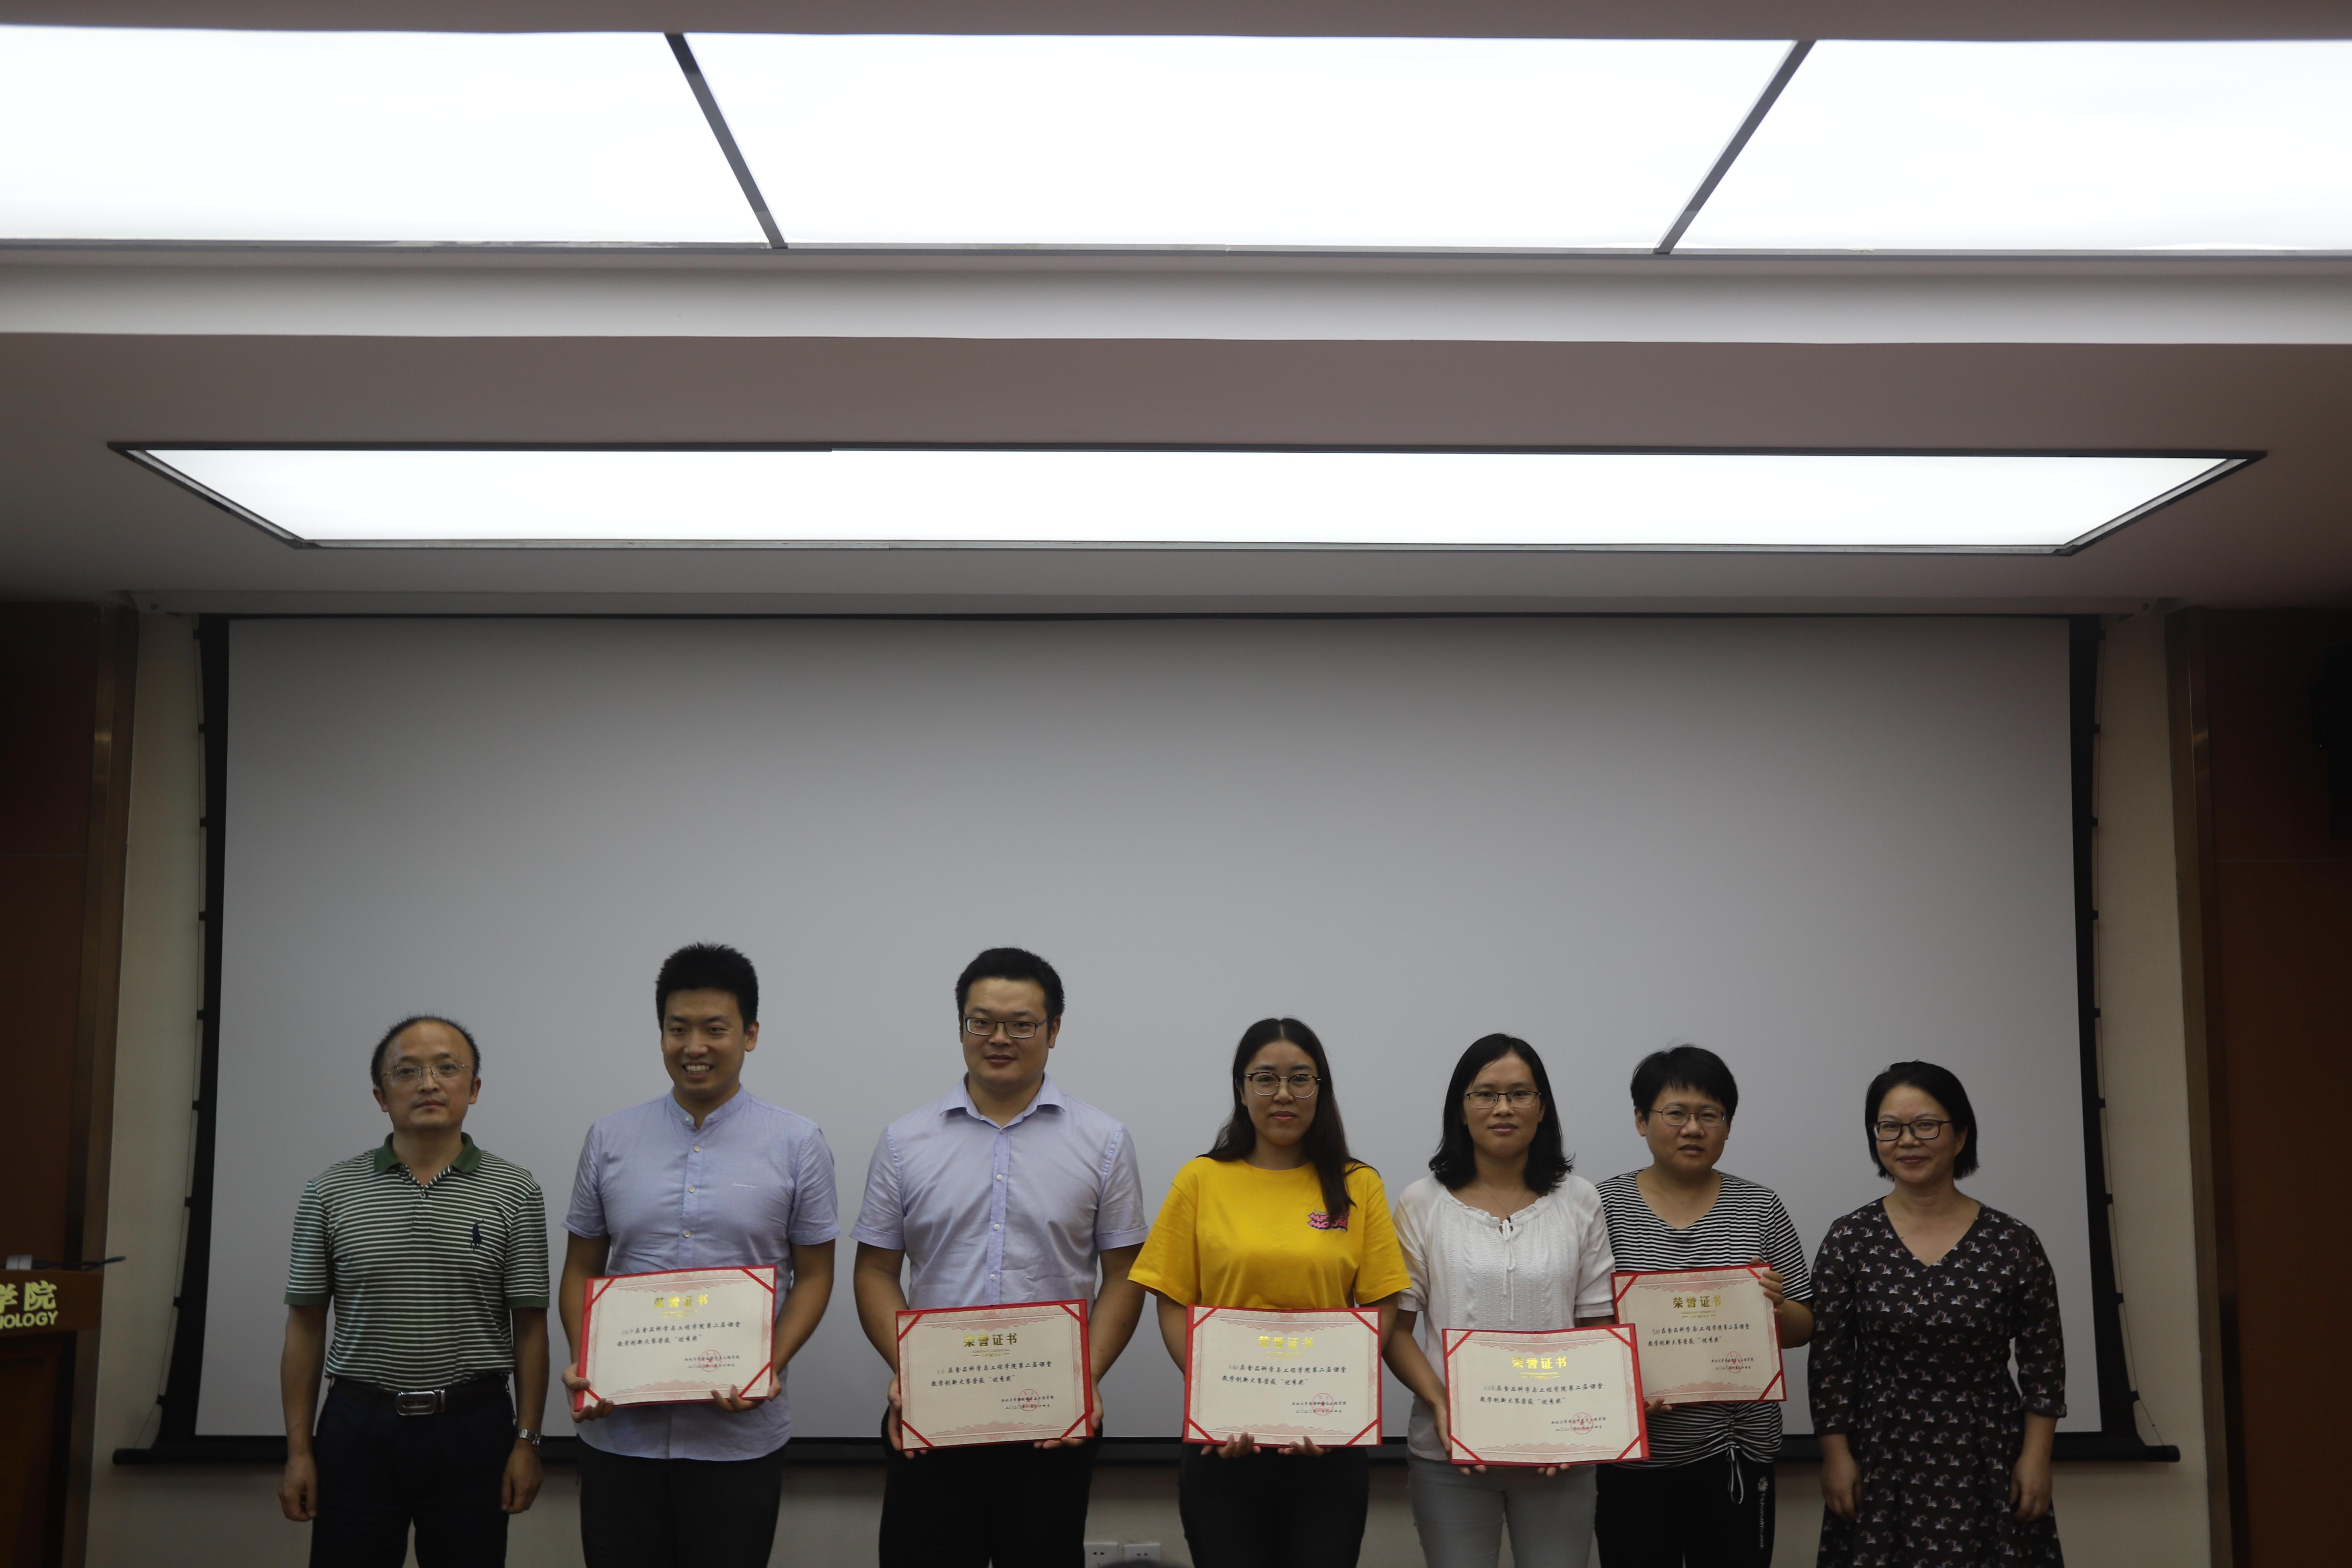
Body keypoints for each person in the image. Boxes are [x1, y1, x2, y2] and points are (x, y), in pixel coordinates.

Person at [851, 946, 1151, 1568]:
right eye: (981, 1021)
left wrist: (1083, 1378)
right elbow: (875, 1271)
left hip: (1052, 1420)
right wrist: (913, 1372)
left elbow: (1125, 1274)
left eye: (1021, 1024)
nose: (999, 1038)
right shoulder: (905, 1141)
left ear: (1054, 1030)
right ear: (961, 1026)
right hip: (935, 1412)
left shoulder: (1103, 1140)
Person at [558, 943, 838, 1568]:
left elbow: (817, 1275)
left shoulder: (798, 1143)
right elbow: (581, 1267)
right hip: (620, 1435)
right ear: (661, 1032)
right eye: (678, 1028)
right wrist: (588, 1361)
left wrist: (768, 1364)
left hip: (738, 1439)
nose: (695, 1046)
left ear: (751, 1035)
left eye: (716, 1029)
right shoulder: (610, 1138)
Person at [1129, 1018, 1412, 1568]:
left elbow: (1382, 1302)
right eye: (1265, 1079)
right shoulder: (1200, 1180)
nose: (1283, 1094)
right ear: (1242, 1089)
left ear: (1320, 1089)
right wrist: (1215, 1397)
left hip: (1328, 1446)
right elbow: (1172, 1301)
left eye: (1300, 1078)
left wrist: (1340, 1397)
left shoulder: (1358, 1184)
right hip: (1223, 1446)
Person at [277, 1015, 550, 1567]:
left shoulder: (516, 1191)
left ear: (473, 1088)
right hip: (358, 1426)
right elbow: (305, 1327)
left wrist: (527, 1441)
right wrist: (299, 1451)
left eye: (447, 1068)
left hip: (473, 1426)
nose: (429, 1084)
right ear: (381, 1096)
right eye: (407, 1072)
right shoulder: (329, 1191)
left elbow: (530, 1328)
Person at [1811, 1061, 2064, 1566]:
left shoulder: (2012, 1241)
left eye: (1926, 1125)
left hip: (1986, 1447)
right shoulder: (1849, 1238)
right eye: (1890, 1127)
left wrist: (2037, 1458)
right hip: (1880, 1447)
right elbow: (1830, 1362)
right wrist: (1835, 1456)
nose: (1907, 1141)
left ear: (1961, 1135)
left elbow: (2044, 1361)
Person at [1383, 1034, 1618, 1568]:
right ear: (1460, 1109)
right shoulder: (1421, 1202)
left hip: (1560, 1453)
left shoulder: (1580, 1199)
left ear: (1543, 1108)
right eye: (1486, 1094)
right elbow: (1395, 1330)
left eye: (1520, 1094)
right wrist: (1442, 1404)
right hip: (1450, 1453)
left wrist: (1578, 1422)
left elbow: (1597, 1325)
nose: (1504, 1108)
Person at [1593, 1044, 1814, 1568]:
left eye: (1710, 1115)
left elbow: (1804, 1326)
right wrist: (1615, 1382)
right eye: (1676, 1113)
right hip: (1635, 1457)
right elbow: (1581, 1326)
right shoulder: (1601, 1207)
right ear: (1641, 1121)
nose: (1693, 1129)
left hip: (1736, 1454)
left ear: (1728, 1126)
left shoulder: (1760, 1206)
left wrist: (1774, 1308)